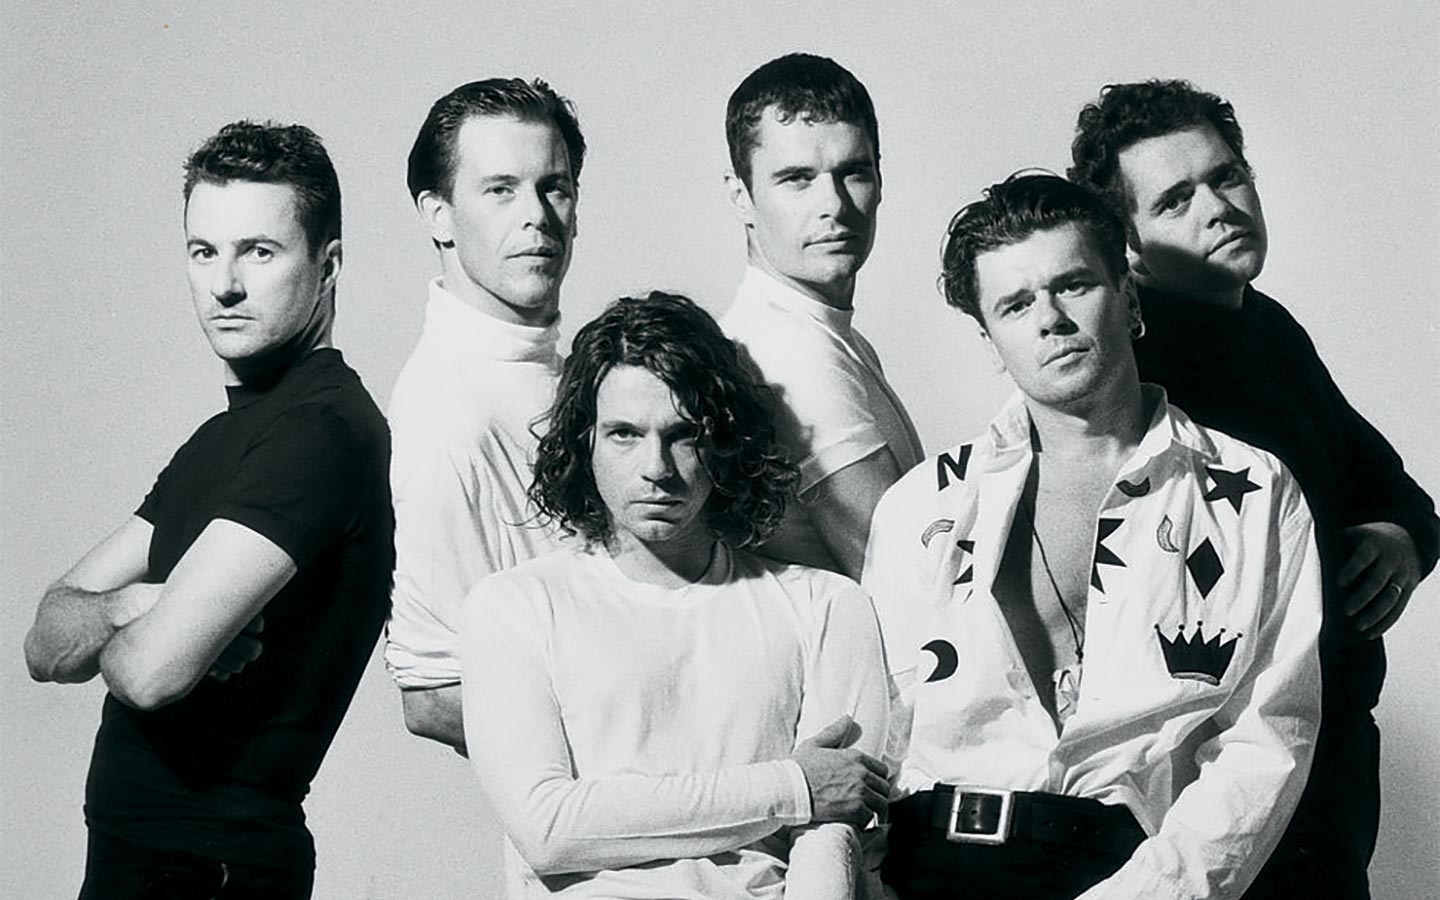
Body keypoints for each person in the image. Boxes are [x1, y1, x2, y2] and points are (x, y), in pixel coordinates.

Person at [864, 173, 1322, 900]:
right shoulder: (920, 510)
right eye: (1016, 304)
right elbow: (879, 732)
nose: (1050, 319)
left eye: (1072, 285)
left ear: (1129, 300)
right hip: (934, 863)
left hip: (1135, 871)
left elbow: (1265, 740)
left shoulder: (1253, 496)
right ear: (990, 340)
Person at [1069, 80, 1438, 900]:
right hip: (1218, 772)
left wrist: (1400, 539)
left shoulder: (1267, 325)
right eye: (1175, 200)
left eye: (1227, 177)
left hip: (1332, 753)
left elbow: (1390, 485)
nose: (1218, 208)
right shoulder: (1128, 372)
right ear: (1127, 244)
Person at [23, 121, 393, 899]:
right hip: (142, 861)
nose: (224, 284)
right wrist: (135, 605)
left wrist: (127, 626)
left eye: (259, 252)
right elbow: (45, 643)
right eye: (203, 252)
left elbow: (150, 674)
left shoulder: (320, 434)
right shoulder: (222, 439)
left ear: (327, 265)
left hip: (209, 873)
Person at [459, 292, 890, 899]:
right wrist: (793, 786)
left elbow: (833, 828)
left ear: (725, 443)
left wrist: (808, 799)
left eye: (684, 435)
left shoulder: (826, 606)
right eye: (624, 435)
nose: (656, 468)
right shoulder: (514, 607)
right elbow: (548, 828)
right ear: (585, 442)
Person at [385, 78, 584, 751]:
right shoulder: (445, 417)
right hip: (609, 807)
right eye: (500, 190)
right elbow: (432, 696)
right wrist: (639, 762)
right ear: (438, 216)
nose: (537, 217)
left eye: (554, 188)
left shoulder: (569, 375)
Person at [720, 52, 923, 580]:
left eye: (853, 172)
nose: (833, 204)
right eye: (797, 179)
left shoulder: (823, 332)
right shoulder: (787, 351)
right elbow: (908, 578)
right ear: (741, 196)